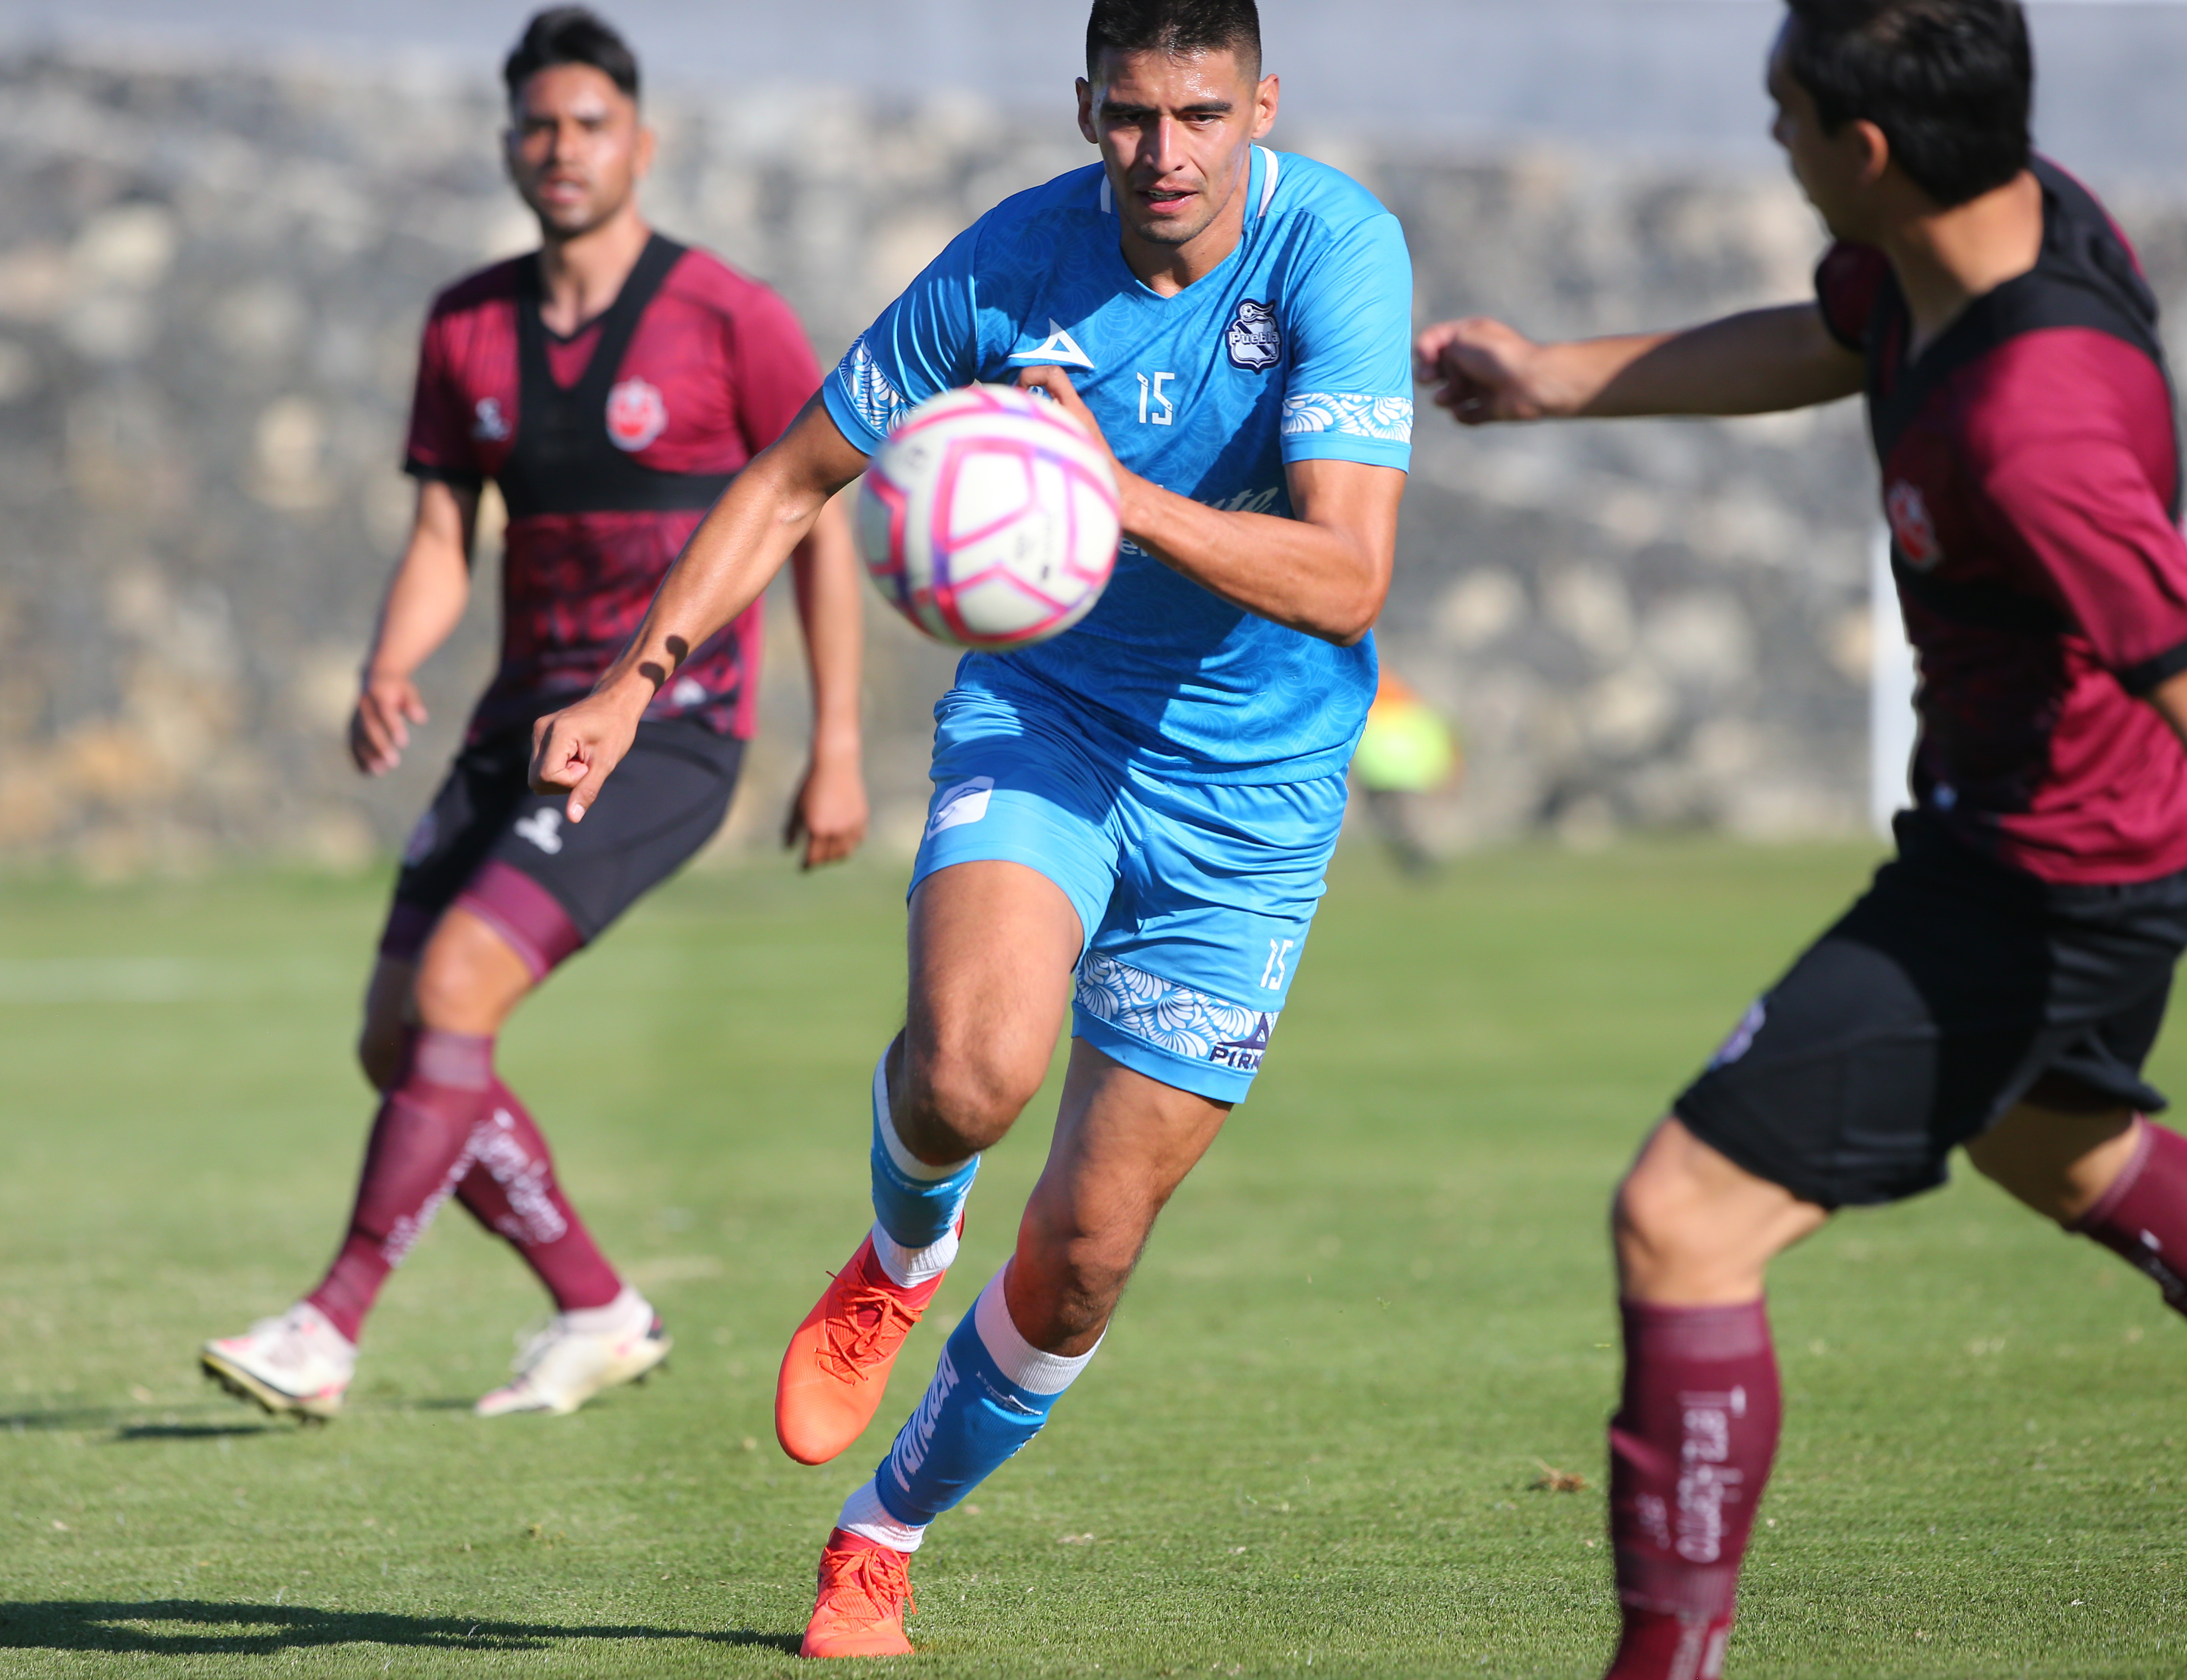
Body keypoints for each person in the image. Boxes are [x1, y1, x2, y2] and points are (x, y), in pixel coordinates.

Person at [530, 0, 1413, 1652]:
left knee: (1087, 1249)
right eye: (1134, 117)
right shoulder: (1008, 267)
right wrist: (633, 684)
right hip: (1051, 719)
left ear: (1261, 106)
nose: (1167, 155)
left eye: (1202, 116)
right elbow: (796, 478)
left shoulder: (1336, 257)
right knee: (965, 1074)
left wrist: (1111, 498)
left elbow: (1349, 573)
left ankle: (883, 1533)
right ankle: (899, 1250)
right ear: (1086, 107)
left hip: (1255, 800)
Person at [1417, 2, 2187, 1674]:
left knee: (1684, 1219)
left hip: (2045, 875)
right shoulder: (1988, 231)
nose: (1770, 139)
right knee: (2061, 1148)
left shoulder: (2035, 431)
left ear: (1866, 152)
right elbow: (1828, 338)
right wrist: (1547, 383)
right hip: (2086, 837)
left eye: (1785, 113)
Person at [199, 6, 869, 1425]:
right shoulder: (467, 325)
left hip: (671, 733)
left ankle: (331, 1324)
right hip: (512, 730)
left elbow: (810, 522)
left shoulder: (727, 318)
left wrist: (840, 748)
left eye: (588, 124)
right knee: (401, 1041)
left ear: (642, 140)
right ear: (511, 141)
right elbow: (445, 531)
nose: (561, 149)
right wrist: (390, 663)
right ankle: (596, 1306)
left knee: (452, 994)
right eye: (538, 126)